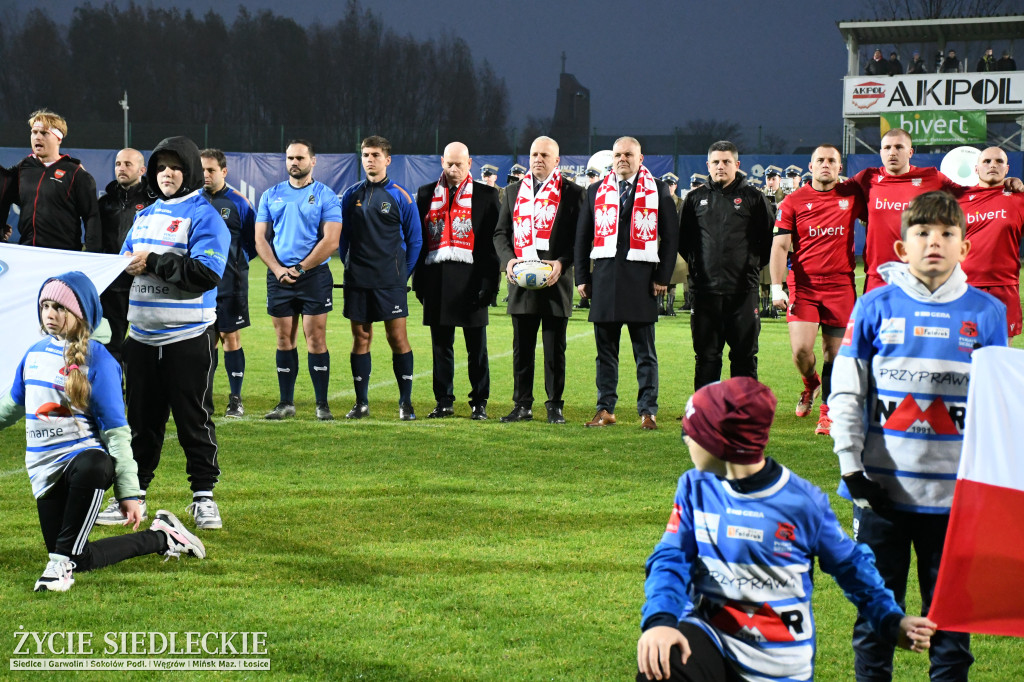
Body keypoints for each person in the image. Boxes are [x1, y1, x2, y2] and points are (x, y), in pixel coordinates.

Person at [636, 377, 936, 682]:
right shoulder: (694, 487)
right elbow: (670, 558)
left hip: (779, 660)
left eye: (691, 432)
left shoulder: (802, 503)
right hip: (711, 636)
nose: (686, 439)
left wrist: (889, 618)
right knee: (661, 664)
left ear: (720, 442)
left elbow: (851, 566)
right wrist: (661, 620)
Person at [831, 191, 1007, 682]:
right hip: (880, 495)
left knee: (950, 624)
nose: (935, 242)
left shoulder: (989, 314)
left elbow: (998, 407)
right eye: (923, 233)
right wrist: (851, 468)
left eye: (948, 233)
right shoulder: (874, 305)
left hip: (955, 502)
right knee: (876, 617)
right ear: (901, 248)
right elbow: (847, 391)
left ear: (965, 247)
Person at [0, 273, 207, 592]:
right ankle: (162, 536)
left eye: (59, 307)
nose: (50, 314)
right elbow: (11, 406)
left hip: (85, 466)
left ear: (81, 313)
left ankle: (58, 569)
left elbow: (117, 433)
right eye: (44, 305)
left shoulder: (99, 360)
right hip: (43, 471)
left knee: (94, 464)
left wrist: (129, 493)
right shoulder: (34, 354)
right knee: (77, 557)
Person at [96, 136, 229, 531]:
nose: (167, 173)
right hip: (141, 339)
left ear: (188, 170)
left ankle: (203, 497)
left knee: (194, 421)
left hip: (188, 338)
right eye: (160, 167)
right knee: (140, 423)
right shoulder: (145, 214)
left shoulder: (204, 215)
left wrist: (153, 261)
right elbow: (123, 264)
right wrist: (126, 266)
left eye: (175, 166)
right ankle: (132, 499)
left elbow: (205, 274)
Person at [575, 137, 678, 430]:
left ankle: (648, 411)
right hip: (605, 282)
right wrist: (582, 276)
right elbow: (582, 238)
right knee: (605, 353)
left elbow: (671, 238)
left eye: (628, 155)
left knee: (645, 353)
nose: (622, 159)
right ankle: (605, 408)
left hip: (642, 282)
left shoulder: (658, 189)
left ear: (640, 158)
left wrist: (663, 277)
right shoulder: (596, 190)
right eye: (618, 154)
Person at [771, 144, 862, 437]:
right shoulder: (793, 201)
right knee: (801, 351)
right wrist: (776, 286)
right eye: (820, 160)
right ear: (810, 167)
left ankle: (827, 413)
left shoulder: (852, 196)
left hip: (841, 286)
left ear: (839, 167)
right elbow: (780, 246)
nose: (826, 164)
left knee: (834, 355)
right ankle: (810, 383)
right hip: (805, 286)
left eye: (831, 160)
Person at [493, 136, 584, 424]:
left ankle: (554, 405)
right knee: (522, 348)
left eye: (545, 155)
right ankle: (522, 405)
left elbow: (580, 240)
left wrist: (561, 263)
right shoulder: (511, 192)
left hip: (556, 282)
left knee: (555, 349)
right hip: (520, 283)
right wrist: (509, 261)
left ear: (557, 160)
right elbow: (500, 234)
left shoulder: (573, 193)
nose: (538, 159)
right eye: (534, 154)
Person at [254, 140, 342, 421]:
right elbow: (260, 239)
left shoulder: (326, 196)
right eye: (290, 158)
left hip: (313, 276)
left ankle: (322, 405)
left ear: (313, 161)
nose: (294, 162)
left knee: (315, 339)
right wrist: (278, 269)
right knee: (283, 339)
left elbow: (331, 241)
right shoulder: (271, 194)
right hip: (279, 276)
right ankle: (285, 404)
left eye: (300, 158)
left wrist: (301, 269)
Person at [413, 142, 499, 420]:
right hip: (437, 281)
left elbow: (490, 245)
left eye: (458, 164)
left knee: (477, 348)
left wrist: (490, 283)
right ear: (441, 161)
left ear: (469, 163)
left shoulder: (487, 195)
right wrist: (419, 281)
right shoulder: (426, 194)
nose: (453, 169)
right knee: (441, 346)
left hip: (473, 283)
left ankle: (479, 402)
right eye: (449, 163)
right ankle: (444, 401)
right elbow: (420, 242)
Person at [679, 140, 775, 391]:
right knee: (707, 358)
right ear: (708, 165)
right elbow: (684, 241)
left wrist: (750, 267)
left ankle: (743, 414)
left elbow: (767, 242)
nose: (720, 166)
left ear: (737, 164)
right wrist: (699, 268)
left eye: (726, 162)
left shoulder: (754, 198)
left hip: (743, 292)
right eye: (716, 162)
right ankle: (706, 414)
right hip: (705, 292)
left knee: (744, 357)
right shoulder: (694, 199)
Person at [339, 136, 422, 421]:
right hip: (358, 281)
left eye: (375, 154)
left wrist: (402, 275)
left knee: (397, 338)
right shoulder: (351, 194)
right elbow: (343, 239)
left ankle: (406, 403)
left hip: (390, 282)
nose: (370, 159)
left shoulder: (401, 195)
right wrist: (350, 267)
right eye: (365, 154)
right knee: (361, 339)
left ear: (388, 159)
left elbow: (416, 241)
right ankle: (361, 403)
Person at [850, 128, 967, 293]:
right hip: (877, 277)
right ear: (881, 152)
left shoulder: (931, 177)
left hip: (919, 277)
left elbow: (969, 195)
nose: (892, 152)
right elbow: (832, 194)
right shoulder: (867, 178)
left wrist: (1004, 184)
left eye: (899, 147)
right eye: (887, 148)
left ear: (910, 152)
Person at [201, 149, 257, 418]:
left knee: (231, 339)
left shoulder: (239, 202)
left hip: (230, 284)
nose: (206, 175)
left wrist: (233, 263)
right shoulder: (192, 201)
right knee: (204, 341)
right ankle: (204, 396)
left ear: (224, 171)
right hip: (199, 286)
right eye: (201, 170)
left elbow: (252, 242)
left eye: (211, 170)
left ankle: (235, 399)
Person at [0, 109, 101, 252]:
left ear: (59, 138)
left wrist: (93, 253)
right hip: (28, 252)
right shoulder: (23, 168)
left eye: (44, 133)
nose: (37, 137)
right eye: (34, 132)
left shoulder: (75, 172)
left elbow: (91, 216)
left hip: (63, 254)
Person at [98, 148, 157, 365]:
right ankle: (114, 390)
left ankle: (144, 390)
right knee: (112, 341)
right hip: (113, 284)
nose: (121, 168)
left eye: (127, 164)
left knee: (147, 341)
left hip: (145, 281)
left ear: (142, 169)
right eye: (118, 163)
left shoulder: (154, 202)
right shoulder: (104, 203)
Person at [959, 146, 1024, 340]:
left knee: (1000, 355)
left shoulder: (1019, 199)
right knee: (965, 353)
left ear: (1007, 169)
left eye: (999, 161)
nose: (992, 165)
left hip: (1004, 288)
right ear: (976, 168)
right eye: (986, 161)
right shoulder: (959, 199)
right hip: (965, 287)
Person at [659, 172, 686, 317]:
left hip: (674, 244)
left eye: (671, 184)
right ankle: (659, 304)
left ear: (675, 186)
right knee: (659, 274)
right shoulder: (656, 200)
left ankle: (669, 305)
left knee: (673, 277)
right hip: (658, 243)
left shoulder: (681, 203)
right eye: (666, 184)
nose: (668, 187)